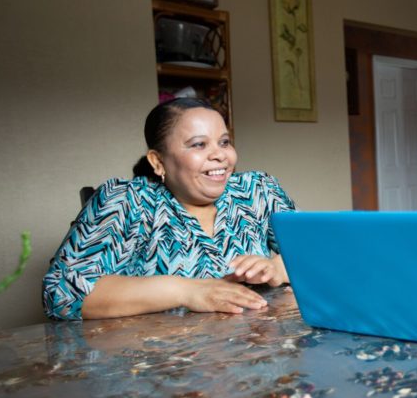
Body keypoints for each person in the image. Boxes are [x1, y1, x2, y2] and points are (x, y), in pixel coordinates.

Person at [43, 98, 296, 320]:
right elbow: (62, 292)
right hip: (167, 364)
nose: (219, 155)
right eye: (199, 144)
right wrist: (186, 291)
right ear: (158, 161)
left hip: (261, 353)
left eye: (224, 142)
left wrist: (278, 268)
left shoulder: (257, 191)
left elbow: (321, 255)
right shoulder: (128, 201)